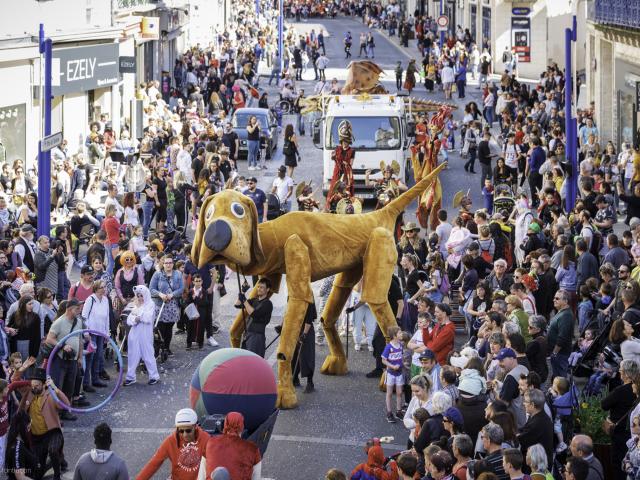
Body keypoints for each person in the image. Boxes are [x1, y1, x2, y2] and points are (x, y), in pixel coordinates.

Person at [15, 368, 70, 479]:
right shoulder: (28, 392)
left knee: (53, 450)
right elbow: (14, 381)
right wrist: (22, 368)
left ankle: (57, 475)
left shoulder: (51, 394)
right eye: (33, 385)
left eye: (37, 385)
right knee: (37, 473)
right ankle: (59, 460)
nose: (34, 388)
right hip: (36, 438)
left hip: (52, 433)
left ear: (44, 384)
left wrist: (56, 388)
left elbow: (66, 405)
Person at [138, 408, 210, 480]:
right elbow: (154, 463)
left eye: (188, 430)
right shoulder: (171, 441)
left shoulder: (205, 439)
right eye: (181, 431)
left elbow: (213, 465)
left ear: (195, 426)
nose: (185, 435)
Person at [45, 298, 84, 419]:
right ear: (69, 309)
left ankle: (66, 411)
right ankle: (55, 413)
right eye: (77, 308)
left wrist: (80, 357)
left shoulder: (78, 321)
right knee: (58, 386)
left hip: (72, 360)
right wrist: (62, 345)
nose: (79, 310)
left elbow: (79, 339)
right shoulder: (59, 322)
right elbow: (49, 339)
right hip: (60, 360)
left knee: (69, 386)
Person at [205, 412, 262, 480]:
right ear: (242, 427)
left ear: (225, 424)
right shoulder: (252, 449)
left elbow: (202, 474)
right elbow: (256, 477)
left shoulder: (210, 442)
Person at [123, 285, 160, 386]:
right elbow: (129, 320)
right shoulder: (136, 306)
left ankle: (154, 376)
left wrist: (138, 316)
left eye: (141, 295)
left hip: (145, 334)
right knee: (132, 355)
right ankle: (130, 377)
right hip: (134, 334)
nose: (140, 298)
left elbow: (148, 318)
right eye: (138, 296)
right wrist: (136, 318)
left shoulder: (151, 304)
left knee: (148, 355)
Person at [150, 254, 184, 356]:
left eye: (170, 263)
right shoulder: (157, 274)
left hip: (172, 306)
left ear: (173, 264)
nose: (168, 265)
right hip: (160, 305)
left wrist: (172, 295)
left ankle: (166, 348)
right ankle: (159, 347)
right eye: (166, 263)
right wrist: (160, 294)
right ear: (163, 264)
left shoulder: (178, 274)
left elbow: (181, 289)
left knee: (169, 328)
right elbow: (151, 289)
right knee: (160, 328)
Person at [235, 278, 273, 357]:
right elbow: (237, 305)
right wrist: (243, 291)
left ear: (268, 289)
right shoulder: (254, 300)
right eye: (258, 287)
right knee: (245, 361)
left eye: (262, 287)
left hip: (257, 337)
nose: (259, 289)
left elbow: (254, 313)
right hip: (247, 335)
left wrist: (244, 300)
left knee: (253, 361)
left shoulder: (268, 304)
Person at [517, 389, 554, 469]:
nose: (523, 404)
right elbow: (523, 430)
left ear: (532, 405)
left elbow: (521, 439)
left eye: (526, 402)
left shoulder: (538, 422)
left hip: (539, 467)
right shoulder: (538, 416)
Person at [547, 289, 575, 379]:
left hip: (560, 354)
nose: (554, 300)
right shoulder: (561, 312)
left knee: (561, 380)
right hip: (558, 353)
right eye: (554, 298)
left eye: (557, 298)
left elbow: (562, 337)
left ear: (565, 301)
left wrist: (555, 353)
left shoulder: (566, 316)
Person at [5, 410, 38, 480]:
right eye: (29, 427)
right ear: (23, 428)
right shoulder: (18, 448)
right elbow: (20, 477)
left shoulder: (16, 440)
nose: (30, 429)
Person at [382, 326, 404, 423]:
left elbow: (401, 357)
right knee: (389, 393)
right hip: (391, 373)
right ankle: (389, 412)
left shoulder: (400, 345)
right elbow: (383, 360)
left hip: (399, 373)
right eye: (399, 333)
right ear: (394, 336)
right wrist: (391, 366)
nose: (401, 334)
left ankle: (398, 411)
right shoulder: (388, 347)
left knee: (399, 393)